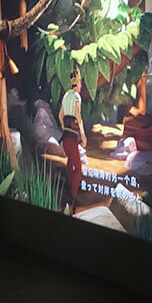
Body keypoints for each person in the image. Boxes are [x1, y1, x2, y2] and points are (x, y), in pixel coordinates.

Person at [58, 68, 87, 212]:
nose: (81, 86)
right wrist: (83, 135)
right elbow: (78, 116)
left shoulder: (66, 96)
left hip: (65, 139)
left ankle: (70, 192)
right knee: (78, 168)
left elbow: (60, 116)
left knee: (70, 163)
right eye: (80, 83)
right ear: (78, 83)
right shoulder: (76, 96)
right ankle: (72, 197)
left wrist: (64, 127)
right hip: (72, 138)